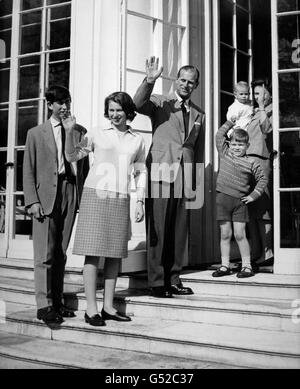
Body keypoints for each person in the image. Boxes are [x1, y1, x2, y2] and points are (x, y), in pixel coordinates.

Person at [64, 91, 146, 326]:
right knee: (93, 253)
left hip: (121, 198)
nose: (114, 114)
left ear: (128, 111)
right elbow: (71, 156)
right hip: (95, 195)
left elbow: (140, 171)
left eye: (119, 110)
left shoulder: (137, 140)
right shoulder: (96, 133)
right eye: (111, 110)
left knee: (114, 255)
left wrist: (139, 200)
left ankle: (108, 306)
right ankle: (91, 309)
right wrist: (70, 131)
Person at [134, 56, 205, 298]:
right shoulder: (160, 102)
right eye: (182, 80)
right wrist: (149, 81)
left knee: (178, 229)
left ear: (196, 85)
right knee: (158, 228)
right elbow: (137, 104)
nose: (186, 84)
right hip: (161, 171)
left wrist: (195, 179)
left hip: (184, 176)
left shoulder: (199, 114)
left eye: (191, 82)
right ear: (176, 80)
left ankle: (173, 278)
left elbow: (198, 149)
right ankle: (156, 282)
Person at [23, 85, 89, 327]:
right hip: (45, 195)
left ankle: (58, 301)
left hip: (70, 191)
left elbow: (82, 166)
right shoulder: (35, 133)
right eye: (60, 102)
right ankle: (44, 305)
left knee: (60, 252)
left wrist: (83, 198)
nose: (64, 107)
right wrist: (32, 201)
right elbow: (27, 170)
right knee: (44, 254)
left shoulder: (80, 131)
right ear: (49, 104)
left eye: (67, 102)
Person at [213, 122, 268, 278]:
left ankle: (247, 266)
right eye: (234, 144)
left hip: (240, 203)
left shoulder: (251, 162)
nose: (237, 147)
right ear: (229, 144)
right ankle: (225, 266)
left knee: (240, 235)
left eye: (241, 145)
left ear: (247, 145)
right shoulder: (225, 153)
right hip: (222, 200)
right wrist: (230, 121)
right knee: (225, 234)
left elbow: (263, 179)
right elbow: (219, 136)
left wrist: (253, 195)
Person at [247, 79, 274, 266]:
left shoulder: (270, 110)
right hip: (249, 161)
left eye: (261, 93)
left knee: (262, 208)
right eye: (255, 94)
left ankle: (268, 251)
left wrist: (263, 107)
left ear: (269, 93)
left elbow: (268, 129)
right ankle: (258, 251)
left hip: (261, 161)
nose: (258, 97)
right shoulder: (254, 112)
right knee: (254, 210)